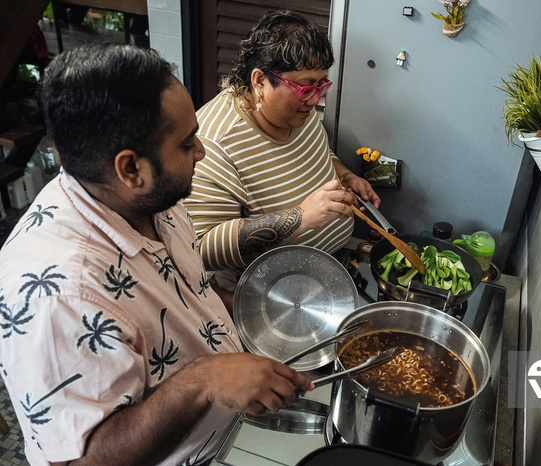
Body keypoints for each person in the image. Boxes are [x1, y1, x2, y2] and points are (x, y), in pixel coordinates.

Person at [0, 44, 313, 466]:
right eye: (186, 144)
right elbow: (83, 461)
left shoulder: (149, 198)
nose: (201, 152)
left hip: (221, 433)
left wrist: (260, 313)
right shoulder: (58, 295)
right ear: (130, 168)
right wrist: (203, 381)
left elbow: (182, 292)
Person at [184, 10, 380, 279]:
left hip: (330, 267)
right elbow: (202, 248)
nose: (315, 100)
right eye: (305, 88)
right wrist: (302, 217)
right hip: (275, 292)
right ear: (260, 81)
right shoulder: (215, 145)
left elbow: (317, 152)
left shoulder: (295, 111)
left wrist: (343, 173)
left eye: (322, 85)